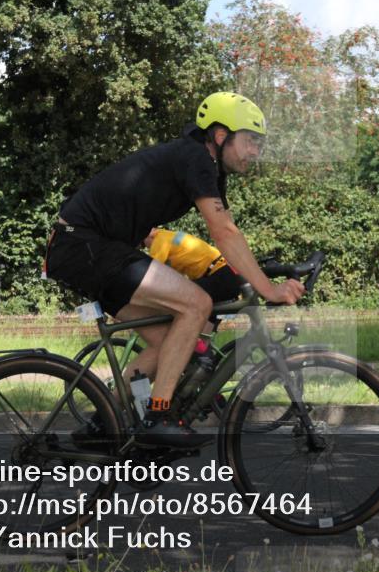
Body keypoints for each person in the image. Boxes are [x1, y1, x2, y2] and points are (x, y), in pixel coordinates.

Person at [44, 92, 305, 448]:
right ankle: (158, 416)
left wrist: (259, 272)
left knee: (171, 343)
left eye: (258, 144)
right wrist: (269, 289)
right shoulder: (195, 157)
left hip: (84, 249)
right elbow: (224, 233)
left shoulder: (205, 165)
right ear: (220, 135)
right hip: (86, 246)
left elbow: (230, 234)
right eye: (250, 141)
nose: (255, 151)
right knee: (196, 305)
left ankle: (102, 422)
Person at [142, 227, 244, 316]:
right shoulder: (169, 235)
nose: (147, 247)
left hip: (218, 277)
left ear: (148, 235)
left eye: (143, 244)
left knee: (181, 300)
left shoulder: (159, 240)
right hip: (222, 274)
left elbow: (149, 271)